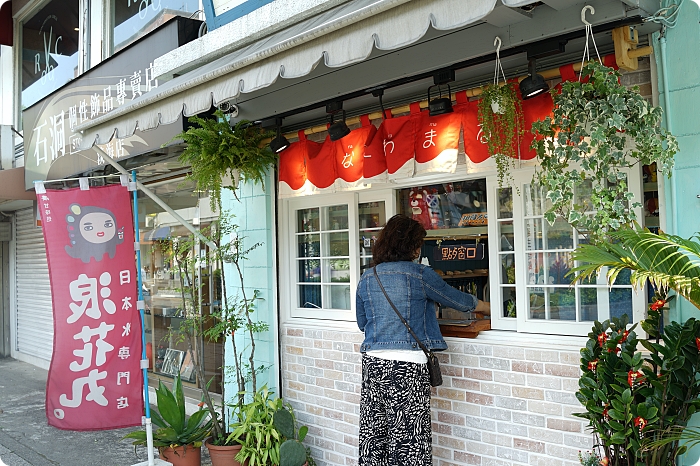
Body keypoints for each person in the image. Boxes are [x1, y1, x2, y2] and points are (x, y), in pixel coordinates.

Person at [356, 214, 490, 465]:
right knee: (410, 443)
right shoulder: (420, 274)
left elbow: (363, 323)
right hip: (407, 368)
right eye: (418, 244)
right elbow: (457, 300)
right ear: (412, 246)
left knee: (375, 439)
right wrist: (487, 306)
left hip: (373, 366)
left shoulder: (368, 277)